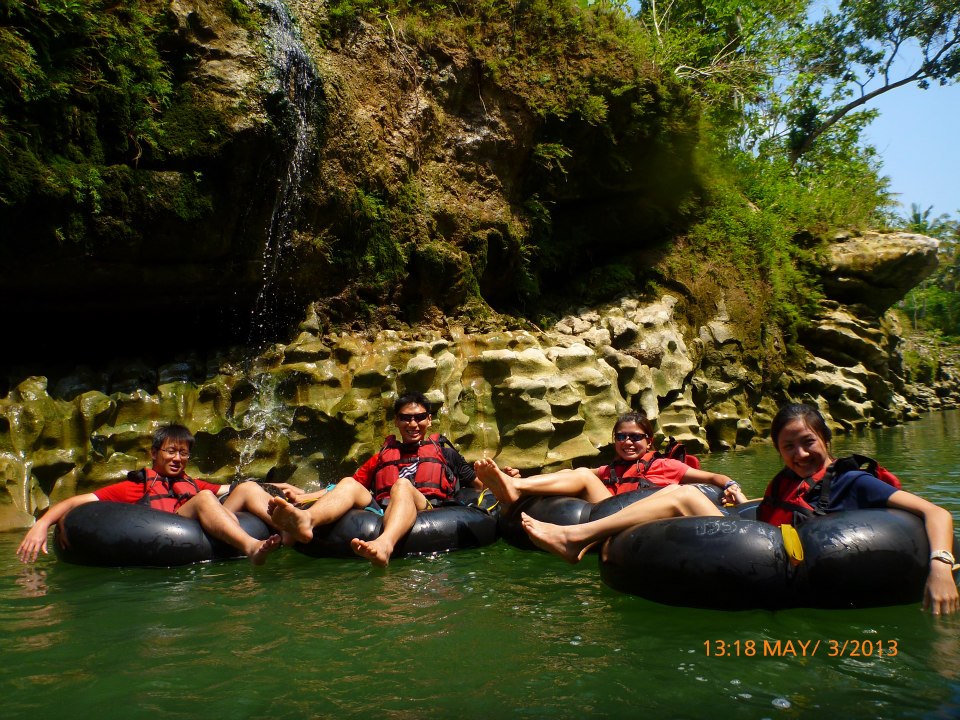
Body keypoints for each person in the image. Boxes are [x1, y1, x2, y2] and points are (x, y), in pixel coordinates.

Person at [519, 403, 959, 616]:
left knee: (678, 497)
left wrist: (940, 565)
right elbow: (766, 517)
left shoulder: (852, 480)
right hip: (762, 552)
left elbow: (936, 514)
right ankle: (578, 538)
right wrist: (737, 497)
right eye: (788, 447)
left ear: (826, 442)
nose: (800, 453)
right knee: (681, 502)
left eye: (808, 442)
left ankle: (577, 538)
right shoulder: (788, 484)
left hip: (819, 564)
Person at [268, 391, 514, 567]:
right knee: (349, 482)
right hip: (379, 508)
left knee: (402, 485)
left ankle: (385, 544)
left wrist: (503, 480)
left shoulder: (446, 453)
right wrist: (304, 498)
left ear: (429, 419)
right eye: (406, 418)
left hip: (427, 507)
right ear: (396, 421)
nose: (413, 423)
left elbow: (480, 488)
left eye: (419, 417)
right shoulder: (383, 456)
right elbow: (343, 488)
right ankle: (306, 521)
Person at [16, 424, 298, 566]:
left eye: (184, 453)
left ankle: (288, 532)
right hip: (168, 530)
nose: (178, 459)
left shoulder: (192, 483)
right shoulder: (134, 486)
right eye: (171, 452)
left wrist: (282, 488)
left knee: (246, 486)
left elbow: (231, 489)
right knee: (202, 498)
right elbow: (78, 502)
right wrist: (42, 524)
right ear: (154, 454)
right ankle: (250, 547)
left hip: (206, 523)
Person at [474, 411, 742, 510]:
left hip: (639, 514)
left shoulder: (666, 465)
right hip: (607, 511)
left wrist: (731, 485)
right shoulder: (610, 469)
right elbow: (570, 477)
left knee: (582, 474)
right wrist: (529, 478)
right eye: (621, 436)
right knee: (580, 472)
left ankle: (513, 487)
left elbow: (711, 478)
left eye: (635, 437)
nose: (627, 442)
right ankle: (515, 486)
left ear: (649, 441)